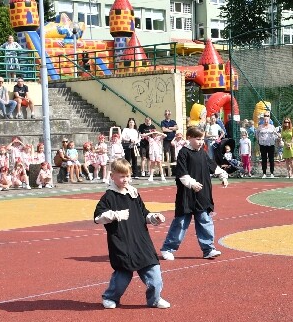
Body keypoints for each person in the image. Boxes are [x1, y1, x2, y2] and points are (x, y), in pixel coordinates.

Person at [93, 159, 170, 309]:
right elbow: (98, 218)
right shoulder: (108, 197)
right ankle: (110, 297)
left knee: (154, 273)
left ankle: (154, 299)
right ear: (112, 176)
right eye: (121, 176)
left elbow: (144, 213)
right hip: (122, 243)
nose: (125, 179)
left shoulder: (133, 193)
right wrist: (114, 215)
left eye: (128, 176)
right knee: (123, 275)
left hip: (141, 241)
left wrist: (154, 217)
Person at [160, 125, 228, 261]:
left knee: (205, 221)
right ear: (189, 138)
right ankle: (168, 248)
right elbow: (181, 173)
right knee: (180, 223)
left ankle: (208, 249)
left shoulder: (202, 153)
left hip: (202, 196)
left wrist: (223, 176)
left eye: (202, 139)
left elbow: (213, 166)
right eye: (198, 139)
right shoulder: (183, 153)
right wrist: (191, 183)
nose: (201, 141)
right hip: (186, 196)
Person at [256, 113, 279, 177]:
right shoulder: (260, 127)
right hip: (263, 145)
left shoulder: (272, 127)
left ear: (269, 121)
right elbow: (257, 135)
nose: (266, 121)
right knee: (264, 159)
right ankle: (264, 173)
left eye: (267, 120)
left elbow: (276, 135)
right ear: (263, 120)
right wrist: (259, 141)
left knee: (271, 159)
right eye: (265, 120)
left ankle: (272, 173)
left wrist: (275, 139)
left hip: (271, 145)